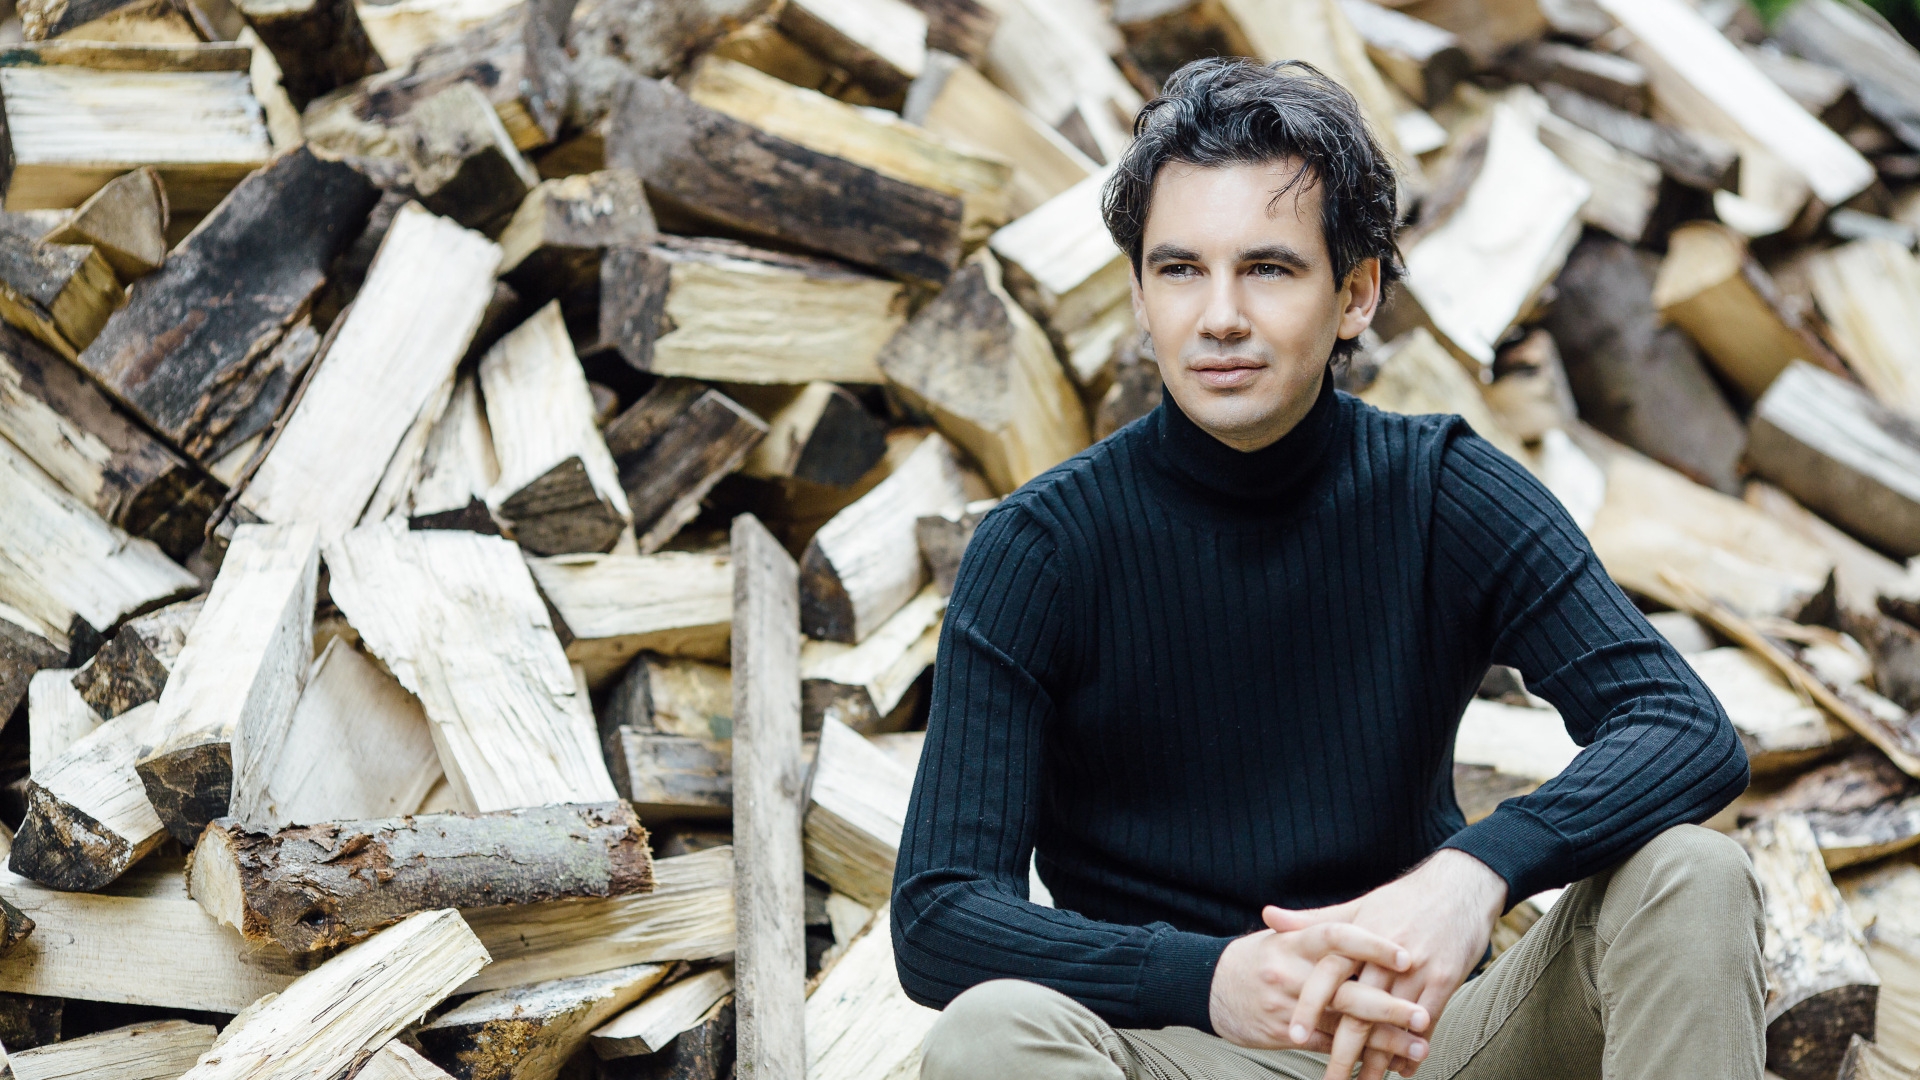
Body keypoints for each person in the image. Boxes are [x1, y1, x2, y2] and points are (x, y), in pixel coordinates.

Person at [891, 57, 1764, 1080]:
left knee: (1691, 872)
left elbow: (1683, 728)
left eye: (1267, 269)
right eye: (1179, 270)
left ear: (1356, 293)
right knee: (990, 1036)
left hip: (1434, 1048)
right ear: (1137, 292)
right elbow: (941, 913)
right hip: (1183, 1056)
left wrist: (1471, 874)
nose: (1218, 316)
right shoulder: (1044, 549)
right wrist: (1211, 976)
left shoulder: (1442, 492)